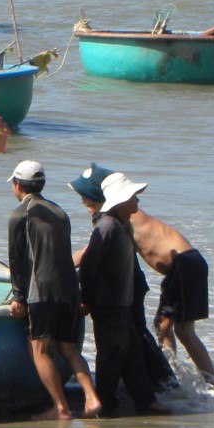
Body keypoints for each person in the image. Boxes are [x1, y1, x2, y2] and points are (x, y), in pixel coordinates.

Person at [68, 164, 178, 395]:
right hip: (123, 289)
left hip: (124, 291)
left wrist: (79, 288)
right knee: (130, 343)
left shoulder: (110, 223)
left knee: (128, 342)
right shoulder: (113, 221)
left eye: (84, 196)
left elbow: (90, 259)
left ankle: (157, 385)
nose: (82, 200)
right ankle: (150, 390)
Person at [6, 159, 102, 419]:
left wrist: (18, 297)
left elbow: (17, 260)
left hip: (42, 290)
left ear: (18, 186)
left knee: (38, 349)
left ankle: (60, 408)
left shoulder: (20, 215)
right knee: (68, 348)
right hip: (69, 288)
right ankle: (91, 398)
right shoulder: (60, 212)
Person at [123, 187, 214, 385]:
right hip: (184, 265)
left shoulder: (120, 215)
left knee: (182, 331)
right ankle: (172, 377)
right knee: (164, 327)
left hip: (184, 264)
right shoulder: (120, 215)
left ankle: (213, 383)